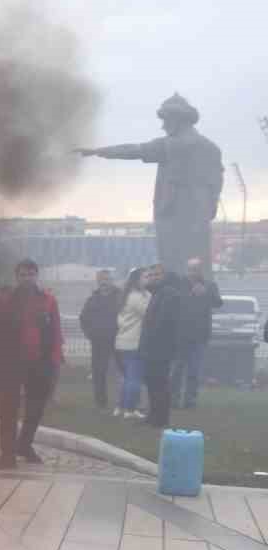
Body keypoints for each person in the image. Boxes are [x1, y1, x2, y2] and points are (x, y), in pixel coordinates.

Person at [76, 93, 224, 274]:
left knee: (173, 266)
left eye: (166, 120)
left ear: (177, 120)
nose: (163, 126)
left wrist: (98, 151)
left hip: (172, 215)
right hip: (200, 218)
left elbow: (135, 150)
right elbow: (216, 181)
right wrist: (210, 206)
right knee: (199, 267)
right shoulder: (211, 147)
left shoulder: (172, 145)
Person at [0, 259, 64, 469]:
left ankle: (24, 445)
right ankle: (7, 454)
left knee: (35, 408)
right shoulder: (5, 299)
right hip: (11, 363)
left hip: (40, 362)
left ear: (36, 275)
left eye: (30, 274)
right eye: (22, 274)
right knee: (8, 409)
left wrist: (55, 360)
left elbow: (56, 332)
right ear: (16, 277)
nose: (27, 278)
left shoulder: (48, 300)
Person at [171, 257, 222, 409]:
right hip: (181, 334)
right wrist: (189, 294)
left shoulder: (210, 285)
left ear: (201, 270)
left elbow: (218, 303)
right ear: (186, 270)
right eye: (190, 269)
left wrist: (205, 293)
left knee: (194, 369)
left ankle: (190, 400)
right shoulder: (179, 284)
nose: (193, 272)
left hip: (200, 335)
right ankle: (174, 398)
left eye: (196, 269)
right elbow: (174, 302)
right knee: (178, 368)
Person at [138, 263, 183, 428]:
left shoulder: (169, 294)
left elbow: (163, 323)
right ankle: (153, 415)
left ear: (164, 276)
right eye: (151, 275)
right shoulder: (158, 294)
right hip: (151, 347)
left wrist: (151, 342)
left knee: (159, 383)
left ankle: (160, 418)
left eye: (157, 275)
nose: (153, 278)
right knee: (151, 382)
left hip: (161, 348)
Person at [78, 269, 121, 410]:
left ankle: (126, 402)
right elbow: (83, 318)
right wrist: (90, 334)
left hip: (119, 340)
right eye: (101, 279)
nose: (104, 282)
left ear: (112, 280)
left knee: (124, 372)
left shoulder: (121, 296)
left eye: (107, 279)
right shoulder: (92, 299)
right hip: (98, 341)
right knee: (98, 372)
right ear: (97, 281)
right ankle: (100, 402)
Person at [113, 266, 151, 418]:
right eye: (145, 276)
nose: (148, 279)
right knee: (134, 378)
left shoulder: (128, 295)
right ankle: (130, 409)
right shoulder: (136, 297)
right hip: (134, 342)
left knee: (128, 377)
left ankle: (121, 407)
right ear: (137, 280)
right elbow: (149, 312)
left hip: (123, 342)